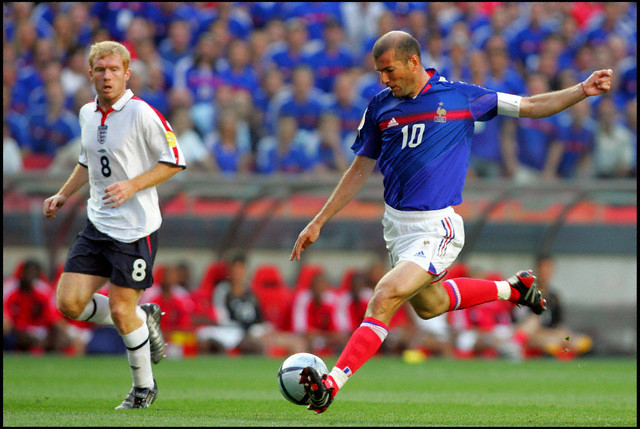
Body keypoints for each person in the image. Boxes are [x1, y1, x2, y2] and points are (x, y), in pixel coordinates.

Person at [289, 30, 612, 413]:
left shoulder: (461, 97)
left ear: (413, 62)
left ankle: (331, 384)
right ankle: (513, 289)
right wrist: (319, 220)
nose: (383, 79)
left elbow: (528, 105)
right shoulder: (380, 107)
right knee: (430, 305)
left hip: (437, 226)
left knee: (384, 296)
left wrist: (581, 90)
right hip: (397, 228)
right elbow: (360, 167)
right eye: (379, 72)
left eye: (388, 70)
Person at [42, 40, 186, 409]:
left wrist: (133, 185)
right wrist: (63, 194)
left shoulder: (142, 114)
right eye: (100, 70)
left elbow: (173, 160)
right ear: (90, 74)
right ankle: (143, 318)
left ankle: (143, 389)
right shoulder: (87, 113)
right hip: (97, 224)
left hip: (136, 230)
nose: (107, 76)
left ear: (127, 74)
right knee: (69, 303)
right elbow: (87, 160)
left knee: (121, 310)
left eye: (114, 70)